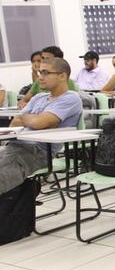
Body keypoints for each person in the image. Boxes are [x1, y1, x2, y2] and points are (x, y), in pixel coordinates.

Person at [0, 58, 82, 195]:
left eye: (45, 73)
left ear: (62, 76)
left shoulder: (71, 98)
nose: (40, 78)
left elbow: (40, 123)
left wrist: (31, 119)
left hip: (38, 151)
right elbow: (15, 122)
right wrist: (35, 120)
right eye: (39, 73)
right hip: (15, 145)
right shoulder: (38, 98)